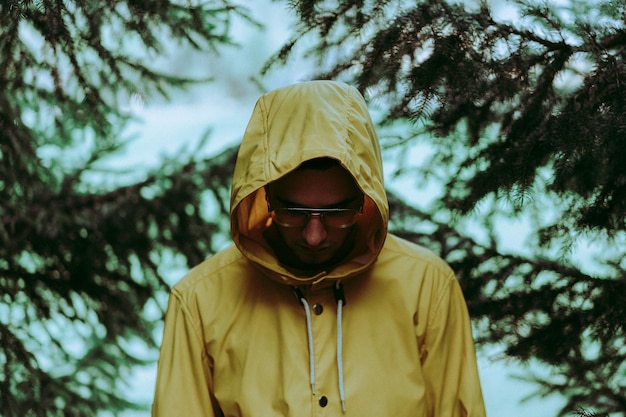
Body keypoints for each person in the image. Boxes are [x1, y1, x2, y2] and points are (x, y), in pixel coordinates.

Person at [151, 80, 486, 416]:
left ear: (364, 202)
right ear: (265, 197)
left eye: (336, 213)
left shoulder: (426, 287)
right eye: (293, 212)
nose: (313, 235)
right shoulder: (200, 300)